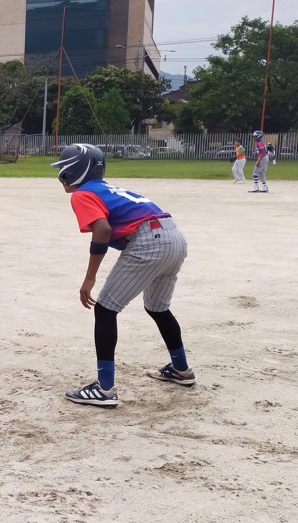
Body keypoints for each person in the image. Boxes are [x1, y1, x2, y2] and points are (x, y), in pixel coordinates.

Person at [51, 143, 195, 409]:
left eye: (63, 170)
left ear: (73, 172)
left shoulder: (82, 194)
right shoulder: (109, 188)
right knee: (158, 308)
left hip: (149, 241)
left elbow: (103, 230)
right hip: (174, 236)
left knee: (105, 310)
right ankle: (181, 369)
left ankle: (105, 389)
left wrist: (90, 278)